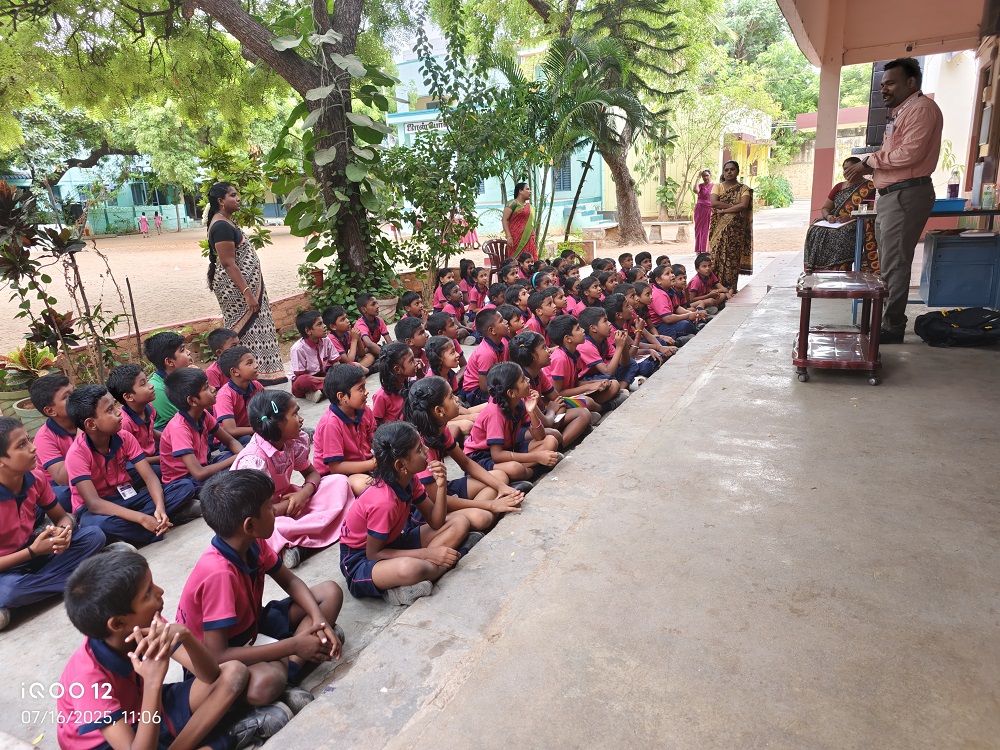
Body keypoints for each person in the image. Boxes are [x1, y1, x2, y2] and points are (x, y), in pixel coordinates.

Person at [60, 550, 287, 750]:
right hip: (109, 743)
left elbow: (211, 676)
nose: (160, 591)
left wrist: (186, 636)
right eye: (148, 593)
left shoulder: (147, 625)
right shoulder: (88, 679)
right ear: (118, 623)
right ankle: (226, 739)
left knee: (234, 673)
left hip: (144, 710)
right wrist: (152, 683)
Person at [176, 469, 344, 711]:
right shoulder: (218, 574)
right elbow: (218, 655)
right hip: (218, 659)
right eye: (268, 507)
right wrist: (295, 645)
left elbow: (291, 582)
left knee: (330, 593)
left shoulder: (254, 543)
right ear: (249, 525)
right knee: (266, 682)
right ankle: (296, 660)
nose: (275, 510)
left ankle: (293, 665)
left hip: (251, 628)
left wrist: (318, 620)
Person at [844, 57, 942, 344]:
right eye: (882, 85)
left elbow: (908, 154)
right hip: (893, 196)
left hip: (905, 195)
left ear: (910, 82)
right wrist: (869, 168)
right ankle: (887, 319)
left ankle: (892, 326)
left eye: (890, 84)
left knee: (895, 263)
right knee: (888, 262)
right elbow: (895, 157)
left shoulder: (921, 109)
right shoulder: (903, 113)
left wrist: (868, 162)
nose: (884, 90)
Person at [338, 421, 477, 606]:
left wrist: (442, 486)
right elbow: (373, 554)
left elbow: (436, 522)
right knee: (410, 568)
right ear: (401, 465)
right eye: (419, 449)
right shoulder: (384, 502)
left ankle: (430, 569)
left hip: (394, 542)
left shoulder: (410, 480)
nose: (426, 450)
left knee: (459, 522)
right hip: (362, 561)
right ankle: (444, 562)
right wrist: (428, 553)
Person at [0, 417, 106, 631]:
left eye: (28, 440)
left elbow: (62, 517)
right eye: (21, 445)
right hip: (8, 567)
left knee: (94, 535)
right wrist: (33, 551)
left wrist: (62, 532)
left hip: (36, 553)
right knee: (11, 590)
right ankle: (94, 572)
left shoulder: (36, 478)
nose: (33, 448)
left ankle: (21, 599)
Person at [233, 391, 354, 570]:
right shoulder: (253, 461)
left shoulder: (292, 442)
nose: (301, 419)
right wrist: (293, 503)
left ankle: (299, 543)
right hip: (263, 516)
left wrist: (303, 494)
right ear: (277, 423)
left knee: (339, 482)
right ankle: (308, 539)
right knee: (268, 532)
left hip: (290, 502)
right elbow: (259, 515)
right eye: (295, 414)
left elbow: (312, 474)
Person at [65, 385, 199, 546]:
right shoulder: (76, 454)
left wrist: (160, 507)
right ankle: (157, 523)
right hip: (99, 509)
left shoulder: (125, 437)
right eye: (110, 410)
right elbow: (94, 504)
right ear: (91, 424)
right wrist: (141, 518)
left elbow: (150, 478)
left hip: (126, 496)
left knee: (184, 487)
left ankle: (149, 524)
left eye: (115, 406)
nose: (119, 412)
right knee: (97, 526)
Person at [405, 376, 527, 517]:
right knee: (481, 518)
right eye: (451, 397)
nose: (457, 399)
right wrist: (491, 505)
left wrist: (502, 487)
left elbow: (466, 463)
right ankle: (479, 511)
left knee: (500, 477)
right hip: (429, 508)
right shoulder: (421, 448)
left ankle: (482, 507)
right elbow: (434, 500)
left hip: (444, 490)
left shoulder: (441, 429)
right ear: (439, 411)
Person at [205, 181, 286, 384]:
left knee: (256, 330)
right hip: (237, 291)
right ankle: (245, 377)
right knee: (244, 332)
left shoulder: (226, 222)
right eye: (233, 195)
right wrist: (247, 292)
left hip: (244, 288)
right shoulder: (221, 226)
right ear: (221, 201)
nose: (238, 198)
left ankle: (258, 375)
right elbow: (228, 263)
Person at [463, 362, 561, 480]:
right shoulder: (494, 413)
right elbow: (497, 455)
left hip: (508, 450)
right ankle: (534, 470)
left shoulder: (520, 402)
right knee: (515, 468)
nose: (528, 380)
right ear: (511, 393)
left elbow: (540, 437)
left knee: (551, 441)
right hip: (481, 458)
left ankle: (523, 472)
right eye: (523, 380)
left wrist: (532, 412)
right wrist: (536, 457)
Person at [508, 332, 596, 447]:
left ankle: (561, 441)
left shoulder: (538, 373)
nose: (549, 351)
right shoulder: (523, 385)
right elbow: (546, 422)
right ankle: (558, 445)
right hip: (526, 428)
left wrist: (554, 412)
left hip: (545, 417)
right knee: (552, 433)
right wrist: (552, 410)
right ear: (533, 356)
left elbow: (558, 399)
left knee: (583, 413)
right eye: (544, 348)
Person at [159, 368, 243, 486]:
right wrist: (238, 457)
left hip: (203, 467)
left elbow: (230, 440)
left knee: (234, 457)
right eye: (207, 387)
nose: (213, 389)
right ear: (192, 400)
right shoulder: (179, 428)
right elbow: (198, 473)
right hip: (184, 480)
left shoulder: (203, 414)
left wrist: (243, 454)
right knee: (231, 476)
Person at [313, 364, 377, 497]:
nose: (366, 392)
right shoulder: (330, 424)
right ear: (342, 396)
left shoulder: (364, 411)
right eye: (360, 389)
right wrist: (373, 464)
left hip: (364, 465)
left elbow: (374, 440)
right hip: (337, 476)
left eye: (365, 387)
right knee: (365, 485)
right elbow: (336, 467)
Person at [804, 157, 877, 272]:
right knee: (814, 229)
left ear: (859, 169)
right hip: (833, 222)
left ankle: (839, 269)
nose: (846, 172)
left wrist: (851, 216)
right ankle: (816, 269)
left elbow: (870, 208)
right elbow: (826, 208)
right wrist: (828, 216)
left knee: (840, 233)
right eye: (845, 169)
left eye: (850, 169)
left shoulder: (869, 187)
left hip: (855, 222)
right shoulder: (839, 187)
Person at [28, 373, 75, 510]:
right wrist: (82, 433)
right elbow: (62, 478)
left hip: (93, 471)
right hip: (61, 484)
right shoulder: (44, 438)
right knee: (61, 496)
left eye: (74, 391)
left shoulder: (87, 418)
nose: (76, 398)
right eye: (67, 397)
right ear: (50, 411)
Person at [709, 160, 754, 292]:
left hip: (736, 232)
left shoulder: (744, 189)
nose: (729, 172)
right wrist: (733, 207)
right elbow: (714, 203)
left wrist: (724, 211)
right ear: (723, 172)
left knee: (732, 258)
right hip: (718, 228)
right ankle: (715, 289)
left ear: (737, 171)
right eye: (726, 170)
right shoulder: (717, 186)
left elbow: (744, 205)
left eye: (732, 169)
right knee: (715, 257)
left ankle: (730, 289)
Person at [107, 363, 161, 469]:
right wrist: (162, 458)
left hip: (152, 453)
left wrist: (169, 438)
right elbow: (128, 459)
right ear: (128, 396)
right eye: (143, 384)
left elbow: (150, 432)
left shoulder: (149, 407)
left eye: (147, 381)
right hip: (136, 463)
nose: (151, 385)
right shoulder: (125, 423)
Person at [144, 330, 194, 430]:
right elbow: (188, 420)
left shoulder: (181, 378)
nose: (189, 352)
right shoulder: (158, 389)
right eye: (182, 350)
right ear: (170, 362)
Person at [460, 309, 510, 407]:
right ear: (492, 330)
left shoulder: (502, 345)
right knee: (508, 399)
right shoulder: (486, 354)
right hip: (476, 392)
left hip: (493, 382)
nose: (506, 322)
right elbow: (484, 387)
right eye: (501, 321)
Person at [214, 346, 263, 444]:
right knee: (249, 440)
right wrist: (262, 429)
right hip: (230, 440)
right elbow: (231, 430)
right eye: (249, 363)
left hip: (252, 431)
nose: (256, 365)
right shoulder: (224, 395)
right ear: (235, 372)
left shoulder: (256, 386)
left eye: (254, 361)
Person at [290, 310, 337, 402]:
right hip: (305, 381)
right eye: (319, 324)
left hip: (322, 376)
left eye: (323, 323)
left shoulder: (326, 340)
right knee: (303, 380)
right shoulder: (298, 349)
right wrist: (328, 379)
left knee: (350, 367)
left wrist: (338, 374)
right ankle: (334, 387)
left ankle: (319, 392)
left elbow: (336, 362)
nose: (324, 326)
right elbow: (300, 376)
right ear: (308, 331)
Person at [372, 342, 417, 426]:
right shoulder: (381, 397)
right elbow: (375, 424)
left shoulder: (409, 385)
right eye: (411, 361)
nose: (416, 363)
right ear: (397, 369)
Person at [502, 183, 538, 260]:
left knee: (529, 259)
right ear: (520, 191)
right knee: (515, 260)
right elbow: (505, 220)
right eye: (527, 189)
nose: (530, 191)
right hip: (515, 238)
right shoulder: (513, 203)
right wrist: (508, 236)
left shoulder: (530, 207)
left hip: (528, 238)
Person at [693, 169, 714, 254]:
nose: (705, 177)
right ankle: (698, 249)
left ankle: (706, 249)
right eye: (703, 176)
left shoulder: (714, 186)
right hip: (699, 210)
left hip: (709, 209)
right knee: (698, 229)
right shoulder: (700, 186)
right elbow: (695, 190)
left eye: (707, 175)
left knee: (707, 229)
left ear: (710, 176)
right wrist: (697, 178)